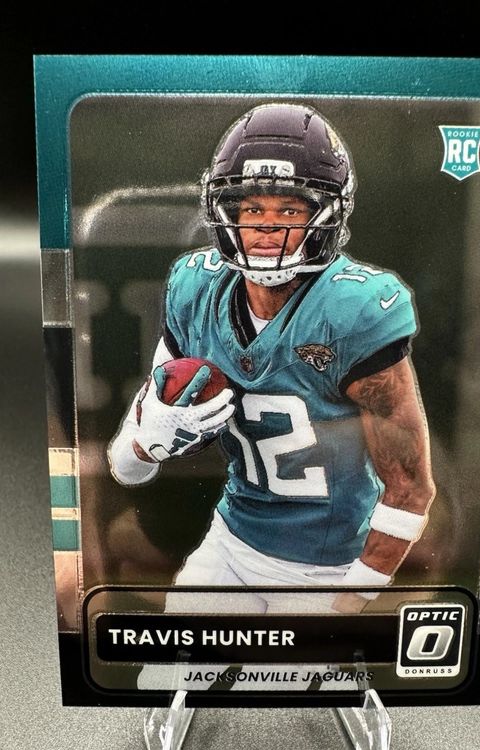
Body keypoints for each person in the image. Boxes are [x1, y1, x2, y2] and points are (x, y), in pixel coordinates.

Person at [108, 103, 435, 631]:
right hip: (233, 541)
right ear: (226, 213)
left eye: (289, 210)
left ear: (324, 216)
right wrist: (151, 439)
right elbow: (128, 467)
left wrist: (350, 599)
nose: (266, 228)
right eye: (252, 208)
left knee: (297, 677)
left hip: (326, 568)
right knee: (166, 668)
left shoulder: (352, 312)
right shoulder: (195, 289)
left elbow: (411, 490)